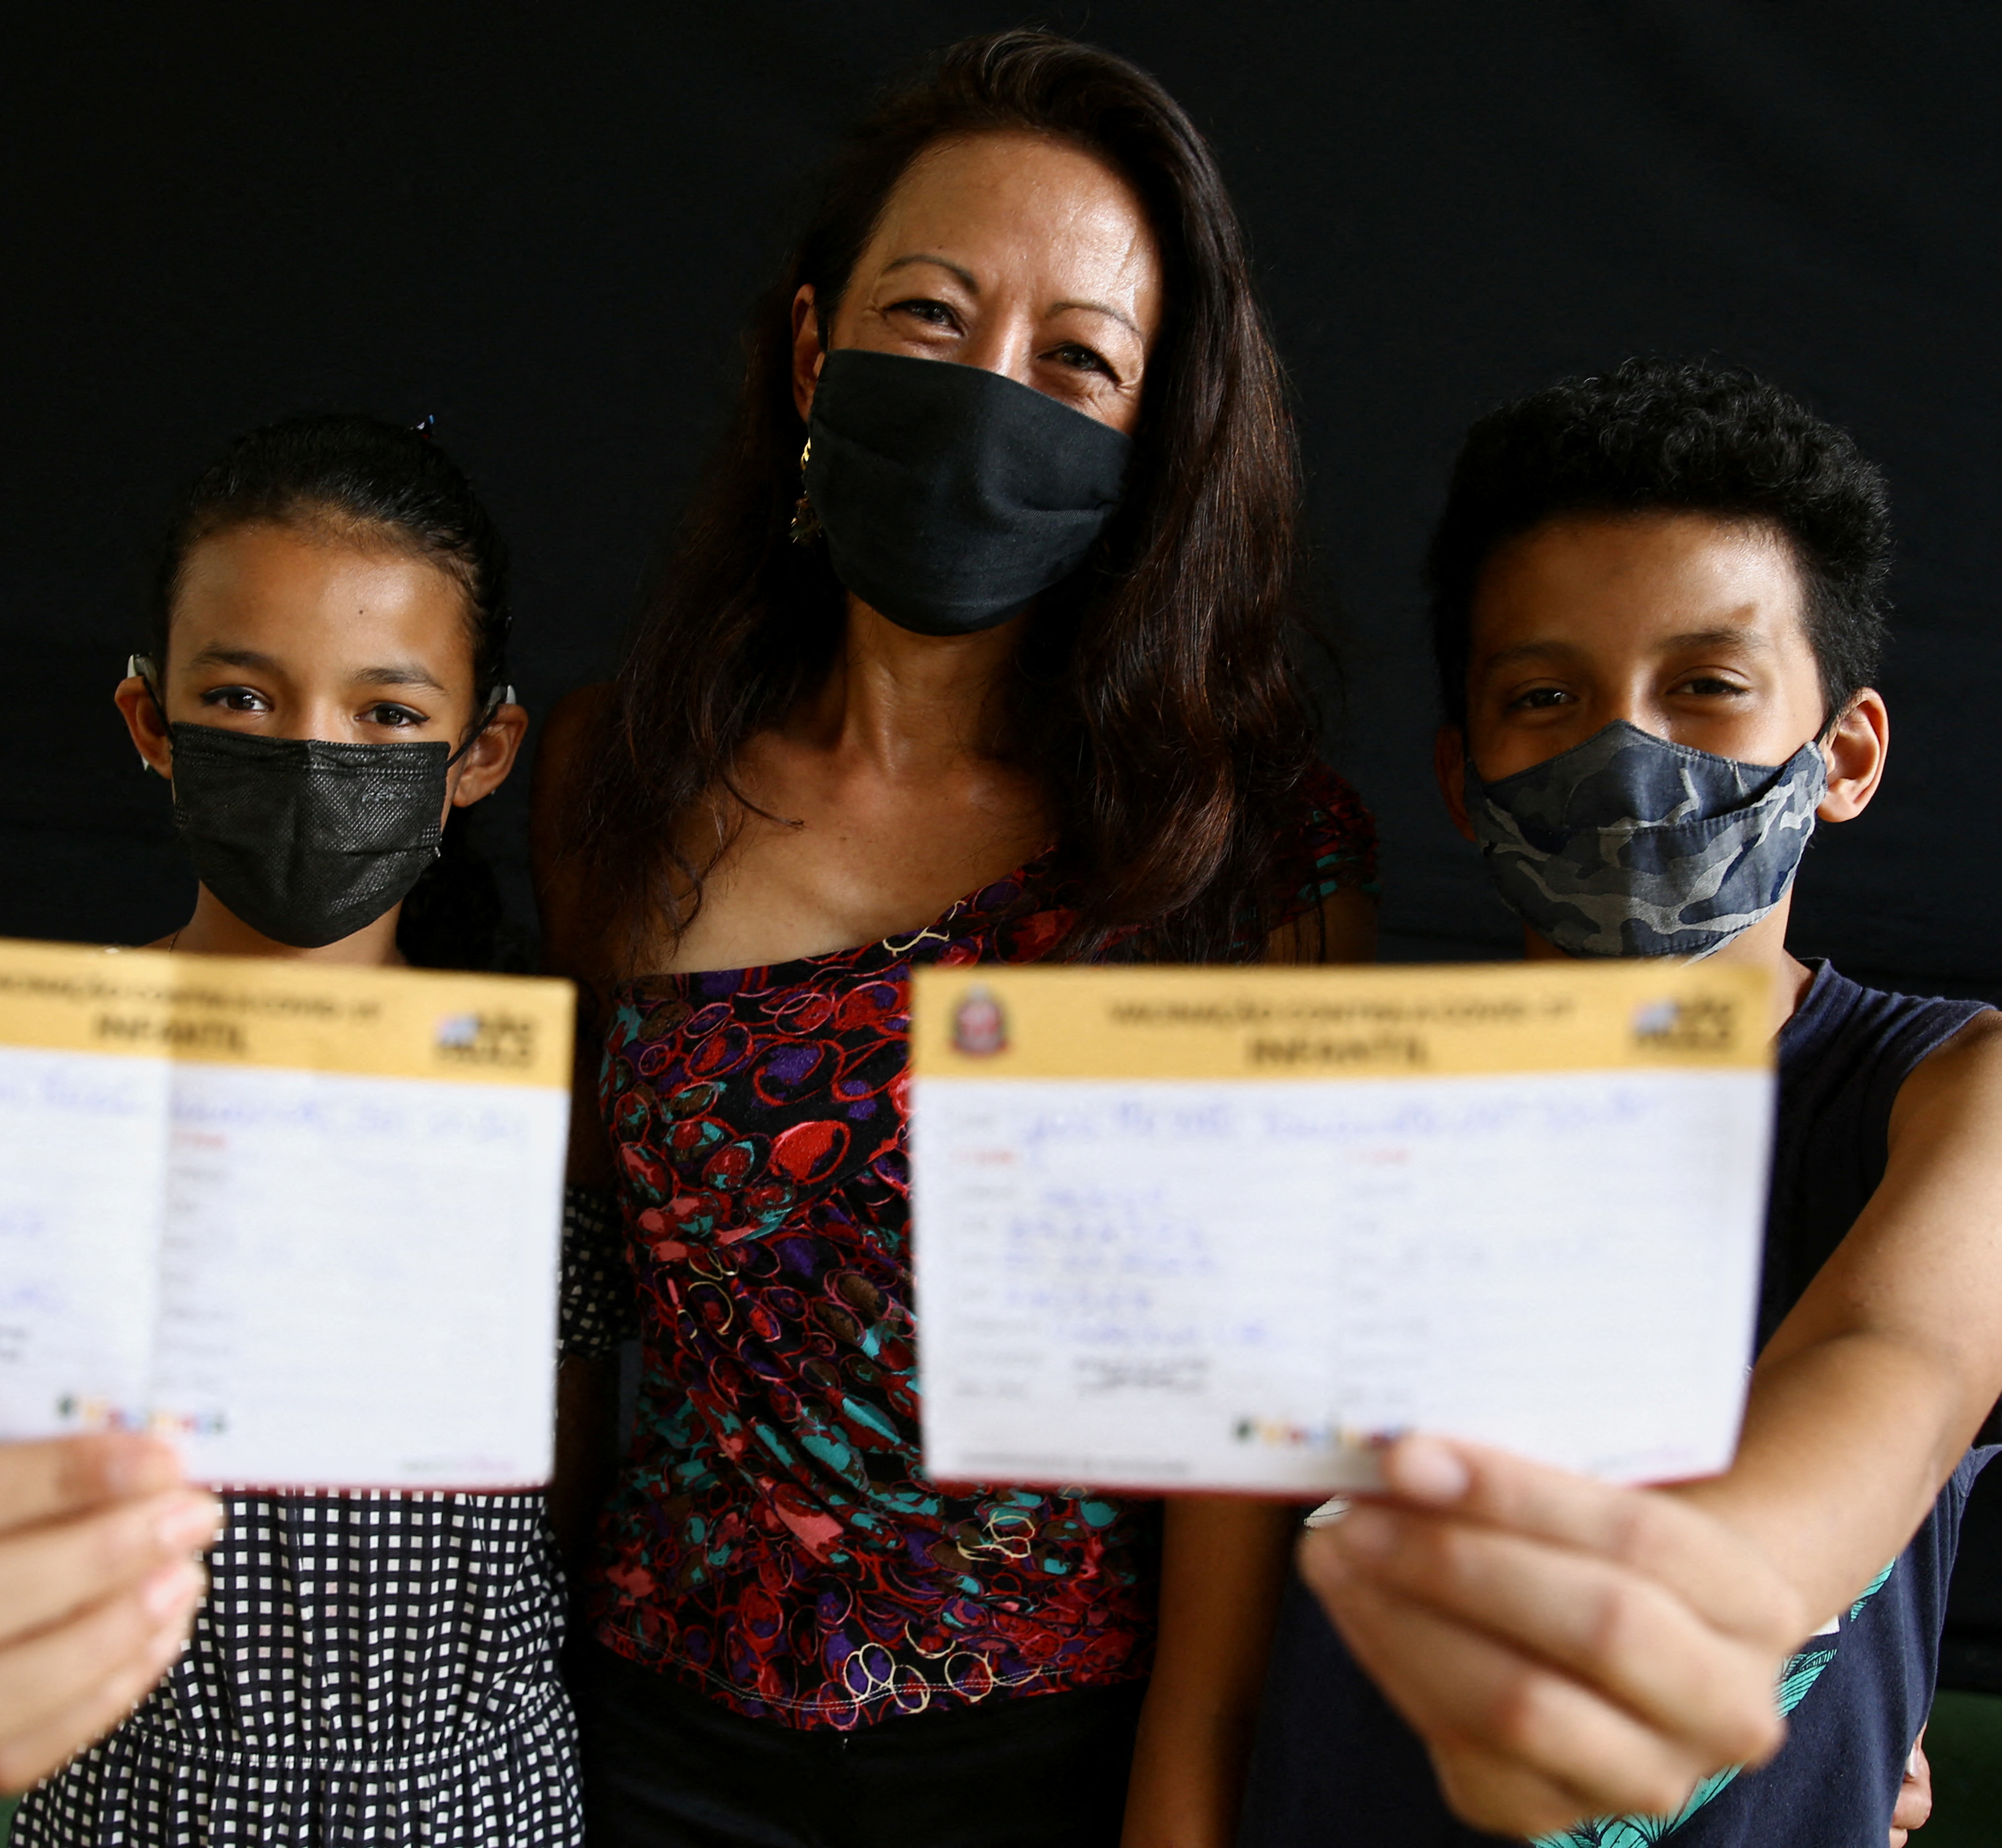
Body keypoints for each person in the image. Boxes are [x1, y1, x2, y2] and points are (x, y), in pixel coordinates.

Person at [529, 30, 1377, 1848]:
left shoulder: (1247, 858)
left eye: (1075, 357)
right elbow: (574, 1301)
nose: (994, 388)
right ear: (815, 347)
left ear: (1152, 440)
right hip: (641, 1742)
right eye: (932, 315)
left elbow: (1252, 1421)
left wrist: (1181, 1797)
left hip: (1053, 1764)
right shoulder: (616, 775)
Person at [1237, 359, 2002, 1847]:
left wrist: (1663, 1636)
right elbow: (1217, 1624)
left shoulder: (1977, 1092)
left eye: (1705, 684)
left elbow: (1889, 1358)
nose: (1622, 753)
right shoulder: (1331, 1115)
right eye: (1542, 696)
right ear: (1464, 778)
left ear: (1842, 755)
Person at [0, 413, 613, 1846]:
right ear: (152, 721)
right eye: (244, 698)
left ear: (480, 749)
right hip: (134, 1796)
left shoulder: (533, 1103)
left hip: (474, 1798)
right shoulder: (39, 1076)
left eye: (388, 713)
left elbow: (559, 1508)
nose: (313, 750)